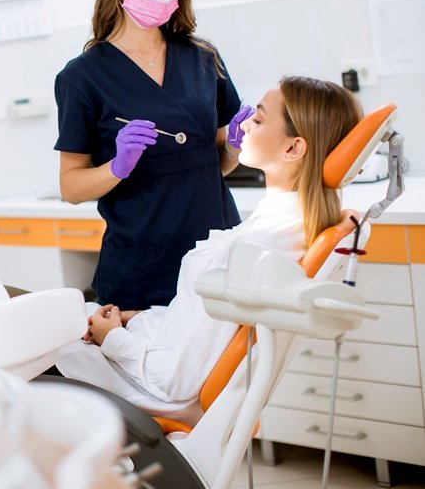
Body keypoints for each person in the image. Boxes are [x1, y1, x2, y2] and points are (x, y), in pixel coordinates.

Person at [54, 76, 363, 424]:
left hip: (145, 387)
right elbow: (193, 326)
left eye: (258, 119)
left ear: (293, 148)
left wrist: (112, 339)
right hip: (143, 345)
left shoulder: (259, 246)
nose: (243, 123)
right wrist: (133, 319)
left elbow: (175, 381)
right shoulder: (280, 222)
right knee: (18, 312)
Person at [55, 0, 253, 311]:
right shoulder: (82, 77)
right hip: (142, 270)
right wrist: (117, 167)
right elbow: (71, 187)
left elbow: (217, 166)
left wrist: (232, 147)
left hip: (215, 256)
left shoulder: (203, 58)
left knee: (225, 372)